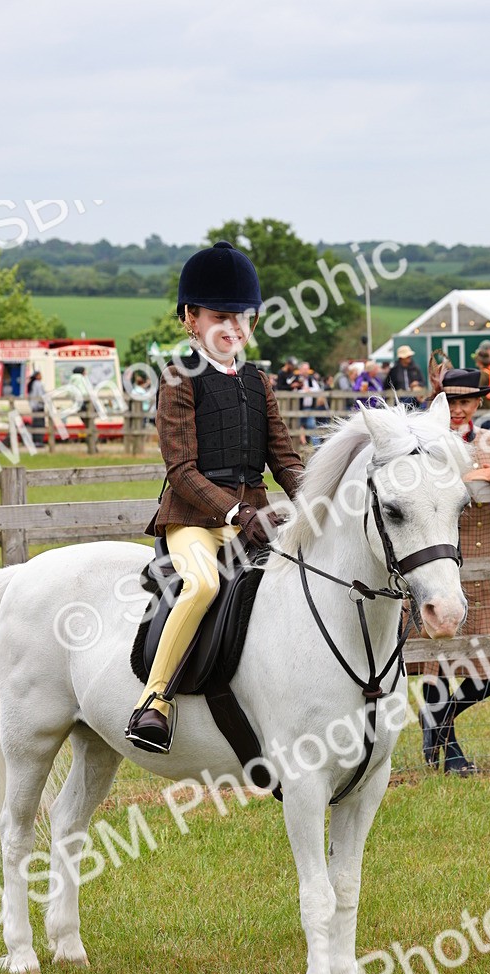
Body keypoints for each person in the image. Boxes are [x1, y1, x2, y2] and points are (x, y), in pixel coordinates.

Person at [125, 240, 304, 753]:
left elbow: (284, 458)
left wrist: (317, 498)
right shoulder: (178, 378)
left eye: (243, 318)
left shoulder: (257, 380)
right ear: (190, 318)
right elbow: (180, 469)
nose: (234, 328)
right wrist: (234, 510)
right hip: (194, 520)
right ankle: (155, 702)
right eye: (221, 316)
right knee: (203, 585)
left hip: (254, 517)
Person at [415, 367, 490, 774]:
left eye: (466, 401)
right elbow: (427, 491)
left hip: (484, 564)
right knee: (439, 661)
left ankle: (440, 720)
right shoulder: (427, 443)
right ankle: (451, 753)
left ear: (479, 402)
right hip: (441, 564)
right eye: (452, 401)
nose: (459, 409)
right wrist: (472, 476)